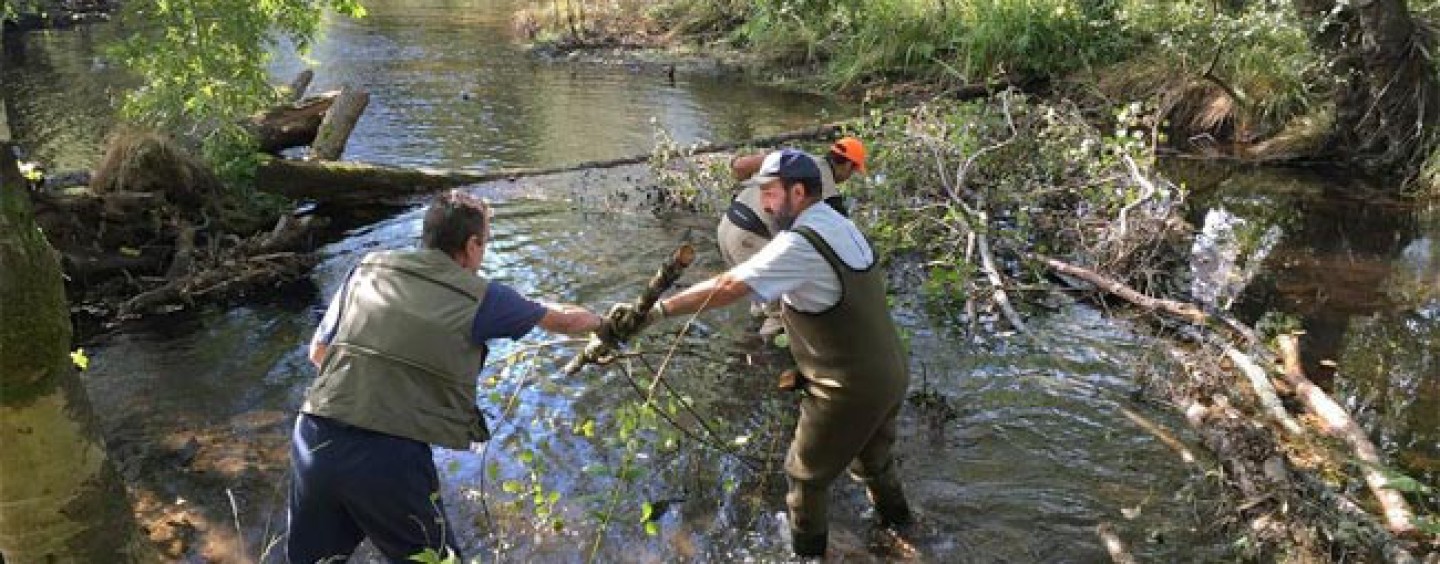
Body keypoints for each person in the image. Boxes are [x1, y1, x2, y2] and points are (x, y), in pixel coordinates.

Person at [613, 148, 911, 558]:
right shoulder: (840, 224)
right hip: (891, 374)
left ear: (800, 191)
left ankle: (808, 554)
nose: (765, 203)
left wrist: (656, 311)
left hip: (848, 389)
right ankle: (904, 531)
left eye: (771, 193)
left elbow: (728, 286)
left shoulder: (798, 245)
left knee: (804, 479)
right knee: (874, 463)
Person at [287, 190, 603, 563]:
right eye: (485, 243)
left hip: (313, 437)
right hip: (388, 458)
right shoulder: (481, 296)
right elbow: (566, 321)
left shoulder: (370, 269)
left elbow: (318, 353)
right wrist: (615, 321)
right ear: (471, 245)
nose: (483, 253)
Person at [717, 137, 868, 338]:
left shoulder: (794, 159)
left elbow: (739, 166)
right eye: (853, 171)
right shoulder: (826, 189)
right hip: (749, 237)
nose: (849, 177)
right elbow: (836, 243)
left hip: (727, 226)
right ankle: (763, 358)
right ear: (848, 165)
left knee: (760, 299)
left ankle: (752, 336)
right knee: (782, 315)